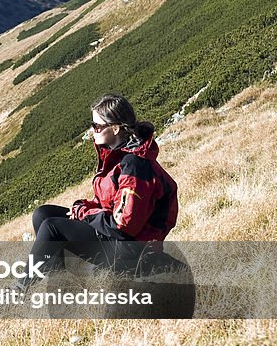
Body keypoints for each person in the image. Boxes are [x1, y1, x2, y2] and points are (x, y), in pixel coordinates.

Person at [24, 93, 178, 287]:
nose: (93, 131)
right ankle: (63, 284)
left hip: (132, 252)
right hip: (118, 239)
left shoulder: (134, 165)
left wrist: (83, 213)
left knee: (52, 227)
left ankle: (18, 292)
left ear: (115, 128)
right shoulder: (116, 155)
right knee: (43, 214)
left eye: (97, 126)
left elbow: (123, 226)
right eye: (92, 125)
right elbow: (110, 202)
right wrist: (84, 207)